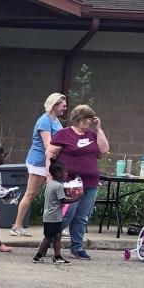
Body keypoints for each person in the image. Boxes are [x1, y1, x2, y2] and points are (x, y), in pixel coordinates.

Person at [48, 105, 109, 261]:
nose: (88, 121)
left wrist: (99, 129)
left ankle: (77, 247)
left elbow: (103, 150)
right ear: (77, 119)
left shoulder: (92, 135)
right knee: (68, 214)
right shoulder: (64, 134)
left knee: (82, 216)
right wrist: (50, 174)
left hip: (90, 182)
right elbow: (51, 153)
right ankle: (49, 237)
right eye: (85, 118)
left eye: (89, 118)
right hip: (69, 182)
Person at [11, 93, 68, 236]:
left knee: (57, 194)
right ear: (55, 105)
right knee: (30, 194)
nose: (65, 108)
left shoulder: (56, 121)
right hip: (39, 162)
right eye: (63, 105)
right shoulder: (44, 121)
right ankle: (17, 226)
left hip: (51, 162)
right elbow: (48, 144)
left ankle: (59, 225)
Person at [33, 160, 80, 264]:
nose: (66, 173)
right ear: (58, 173)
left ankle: (57, 256)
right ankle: (39, 255)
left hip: (51, 216)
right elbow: (63, 200)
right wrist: (76, 198)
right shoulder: (58, 186)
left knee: (57, 236)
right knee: (49, 237)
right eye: (64, 172)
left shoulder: (50, 183)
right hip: (53, 217)